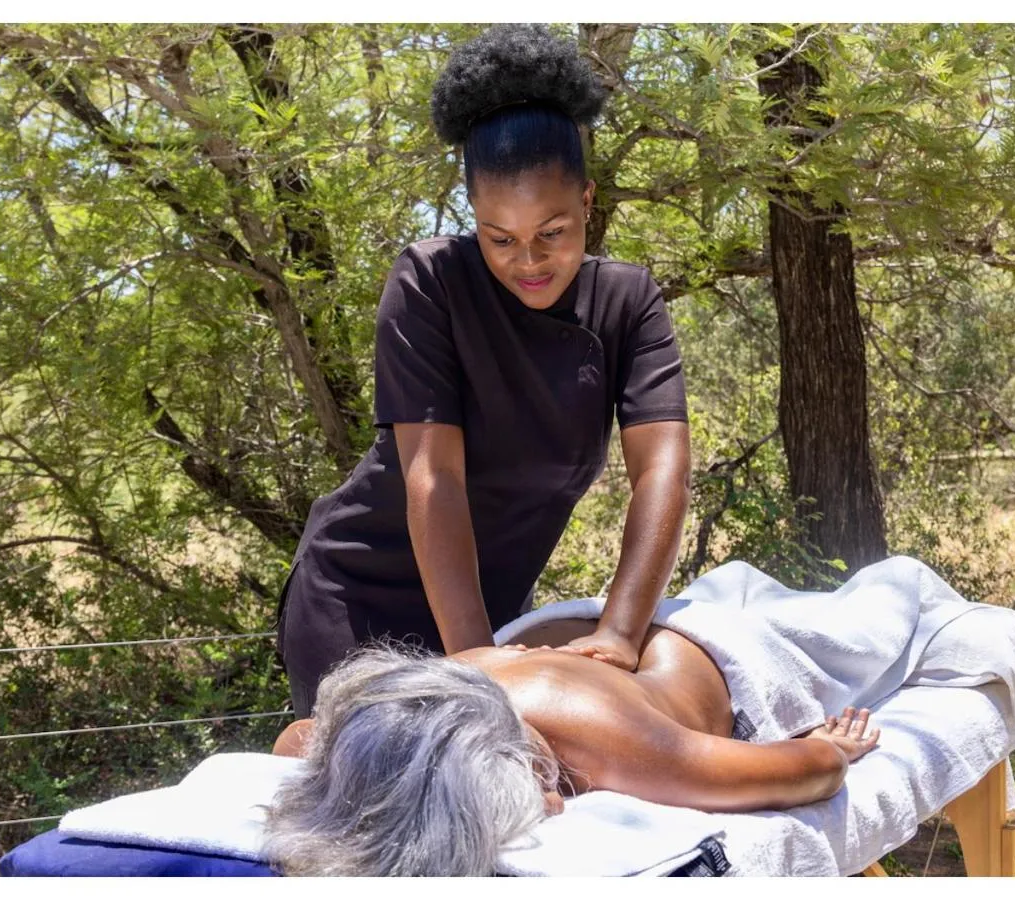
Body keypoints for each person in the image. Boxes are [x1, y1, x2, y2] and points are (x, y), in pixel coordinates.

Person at [276, 24, 692, 718]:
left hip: (494, 614)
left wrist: (620, 632)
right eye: (501, 238)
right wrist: (477, 665)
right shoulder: (431, 282)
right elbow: (433, 478)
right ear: (474, 216)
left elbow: (663, 472)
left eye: (551, 233)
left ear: (588, 202)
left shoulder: (628, 302)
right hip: (360, 604)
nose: (528, 261)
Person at [263, 614, 881, 877]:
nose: (554, 805)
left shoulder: (609, 741)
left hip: (703, 642)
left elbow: (809, 770)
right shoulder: (379, 716)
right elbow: (296, 739)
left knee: (876, 629)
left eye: (538, 788)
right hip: (547, 635)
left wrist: (829, 746)